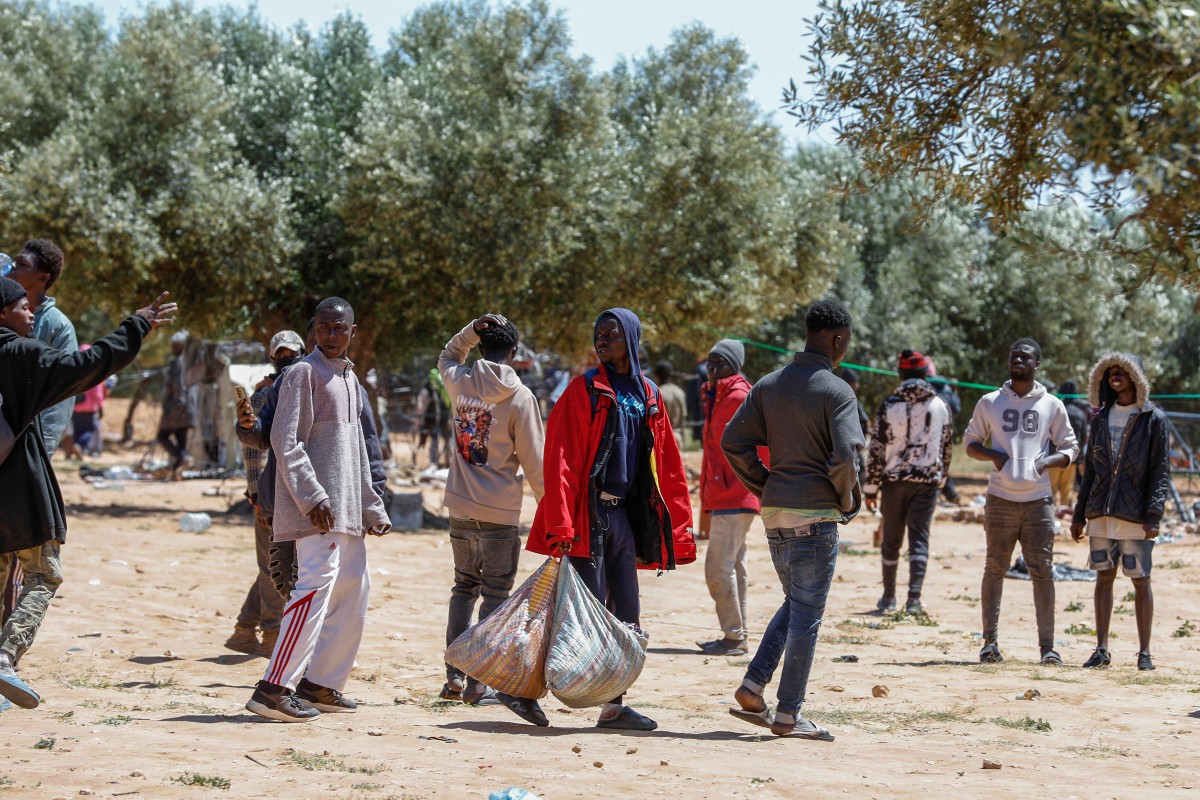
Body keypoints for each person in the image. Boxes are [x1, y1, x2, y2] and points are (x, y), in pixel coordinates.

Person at [0, 277, 176, 710]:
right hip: (18, 493)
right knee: (44, 574)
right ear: (3, 312)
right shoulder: (19, 354)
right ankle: (5, 658)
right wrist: (136, 326)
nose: (31, 314)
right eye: (24, 307)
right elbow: (89, 365)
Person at [524, 308, 695, 731]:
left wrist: (676, 528)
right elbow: (560, 460)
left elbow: (667, 464)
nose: (602, 340)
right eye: (598, 334)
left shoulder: (649, 394)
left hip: (624, 520)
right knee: (580, 613)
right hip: (589, 517)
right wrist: (562, 524)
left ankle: (614, 705)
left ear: (631, 339)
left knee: (624, 615)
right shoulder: (583, 391)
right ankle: (521, 689)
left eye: (611, 334)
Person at [722, 299, 864, 741]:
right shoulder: (837, 391)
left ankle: (752, 685)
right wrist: (847, 500)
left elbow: (733, 442)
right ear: (839, 340)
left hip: (775, 517)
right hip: (815, 518)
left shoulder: (768, 385)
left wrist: (766, 486)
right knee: (808, 616)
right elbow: (844, 457)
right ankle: (788, 714)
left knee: (796, 604)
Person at [245, 298, 391, 723]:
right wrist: (312, 497)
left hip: (347, 512)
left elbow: (359, 452)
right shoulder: (302, 374)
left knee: (354, 592)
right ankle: (273, 689)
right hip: (317, 512)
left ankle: (320, 683)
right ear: (314, 330)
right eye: (324, 327)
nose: (331, 334)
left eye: (339, 328)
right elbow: (284, 442)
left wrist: (371, 506)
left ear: (352, 332)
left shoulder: (351, 381)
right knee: (311, 592)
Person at [437, 313, 545, 705]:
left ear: (482, 349)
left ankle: (453, 674)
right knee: (496, 595)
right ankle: (479, 679)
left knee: (463, 588)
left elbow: (448, 354)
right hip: (500, 514)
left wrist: (470, 329)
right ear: (513, 353)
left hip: (460, 511)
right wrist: (550, 508)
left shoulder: (460, 382)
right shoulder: (521, 397)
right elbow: (534, 461)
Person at [964, 338, 1079, 665]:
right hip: (999, 499)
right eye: (1014, 355)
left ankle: (1048, 648)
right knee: (994, 568)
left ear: (1037, 365)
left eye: (1025, 357)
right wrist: (992, 454)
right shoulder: (990, 402)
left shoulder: (1052, 405)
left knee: (1042, 571)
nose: (1018, 359)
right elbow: (970, 443)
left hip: (1038, 502)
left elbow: (1071, 448)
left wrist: (1046, 462)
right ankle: (989, 643)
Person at [1070, 354, 1170, 672]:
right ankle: (1101, 649)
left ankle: (1144, 653)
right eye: (1111, 371)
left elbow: (1161, 471)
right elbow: (1090, 471)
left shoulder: (1152, 419)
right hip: (1100, 512)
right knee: (1103, 578)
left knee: (1140, 579)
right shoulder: (1099, 418)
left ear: (1135, 379)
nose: (1115, 375)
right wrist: (1079, 513)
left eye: (1122, 371)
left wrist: (1154, 513)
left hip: (1136, 514)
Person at [226, 330, 305, 658]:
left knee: (276, 567)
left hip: (293, 494)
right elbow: (253, 452)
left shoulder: (302, 386)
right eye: (280, 353)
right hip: (271, 494)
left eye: (291, 352)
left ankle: (245, 630)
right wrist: (258, 495)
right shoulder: (266, 393)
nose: (286, 358)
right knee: (276, 566)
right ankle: (271, 634)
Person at [863, 350, 953, 616]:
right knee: (919, 538)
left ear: (900, 374)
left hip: (893, 483)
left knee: (891, 539)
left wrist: (870, 488)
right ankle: (914, 598)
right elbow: (946, 448)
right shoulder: (940, 405)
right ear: (926, 374)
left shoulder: (890, 405)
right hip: (927, 482)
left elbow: (877, 448)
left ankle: (889, 597)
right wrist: (942, 479)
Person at [695, 339, 763, 657]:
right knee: (735, 566)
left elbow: (755, 447)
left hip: (735, 494)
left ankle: (733, 637)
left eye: (719, 363)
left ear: (734, 366)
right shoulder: (717, 396)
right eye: (710, 363)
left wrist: (742, 484)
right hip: (726, 493)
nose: (712, 369)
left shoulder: (737, 396)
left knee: (717, 568)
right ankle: (737, 636)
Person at [157, 330, 195, 477]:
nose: (172, 348)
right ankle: (176, 472)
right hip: (186, 409)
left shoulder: (179, 363)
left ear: (181, 347)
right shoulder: (187, 362)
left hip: (178, 409)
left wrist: (173, 409)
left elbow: (179, 388)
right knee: (180, 442)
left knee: (162, 436)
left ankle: (183, 459)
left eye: (175, 345)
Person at [1050, 379, 1090, 510]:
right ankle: (1065, 514)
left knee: (1051, 487)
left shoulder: (1055, 410)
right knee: (1067, 488)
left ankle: (1050, 512)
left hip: (1053, 457)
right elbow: (1083, 438)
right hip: (1072, 457)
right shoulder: (1080, 413)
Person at [653, 360, 688, 449]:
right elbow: (683, 418)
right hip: (678, 438)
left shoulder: (658, 393)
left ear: (657, 376)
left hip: (663, 439)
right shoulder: (680, 392)